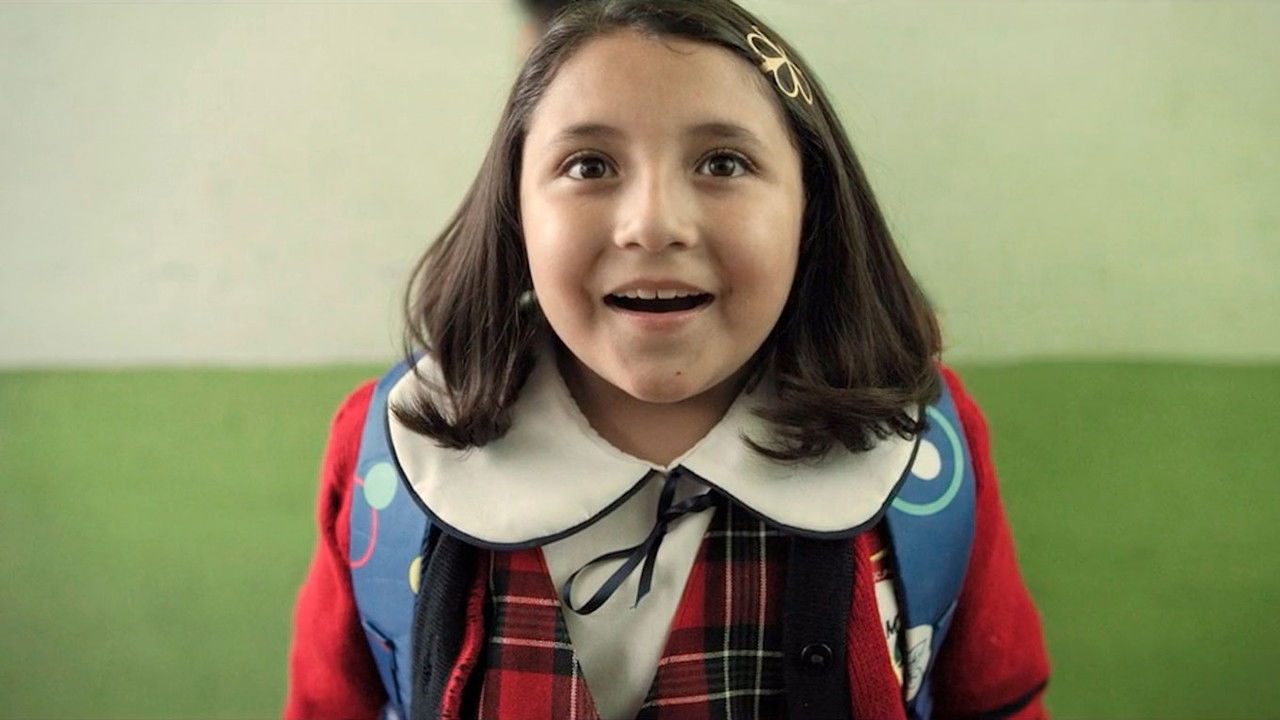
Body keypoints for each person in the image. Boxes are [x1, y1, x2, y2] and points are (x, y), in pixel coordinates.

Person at [283, 1, 1050, 718]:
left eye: (723, 164)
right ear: (514, 209)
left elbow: (997, 701)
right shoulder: (395, 449)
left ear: (810, 207)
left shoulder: (918, 446)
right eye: (589, 165)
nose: (652, 226)